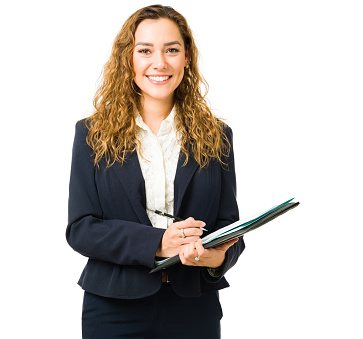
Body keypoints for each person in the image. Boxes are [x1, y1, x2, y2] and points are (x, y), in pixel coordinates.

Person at [67, 4, 244, 338]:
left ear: (187, 57)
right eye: (145, 50)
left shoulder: (218, 136)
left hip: (193, 308)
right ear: (128, 58)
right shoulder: (92, 134)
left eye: (171, 50)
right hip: (113, 307)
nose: (159, 63)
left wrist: (216, 259)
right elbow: (82, 228)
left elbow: (229, 228)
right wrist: (158, 242)